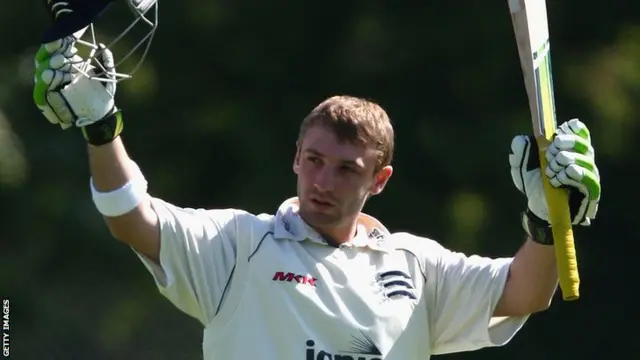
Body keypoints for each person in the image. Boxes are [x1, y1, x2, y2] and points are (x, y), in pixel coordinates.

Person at [32, 37, 601, 360]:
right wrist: (101, 128)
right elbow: (130, 218)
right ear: (295, 159)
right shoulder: (240, 247)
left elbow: (527, 291)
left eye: (347, 170)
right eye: (313, 162)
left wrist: (545, 222)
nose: (323, 182)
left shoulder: (417, 266)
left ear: (379, 181)